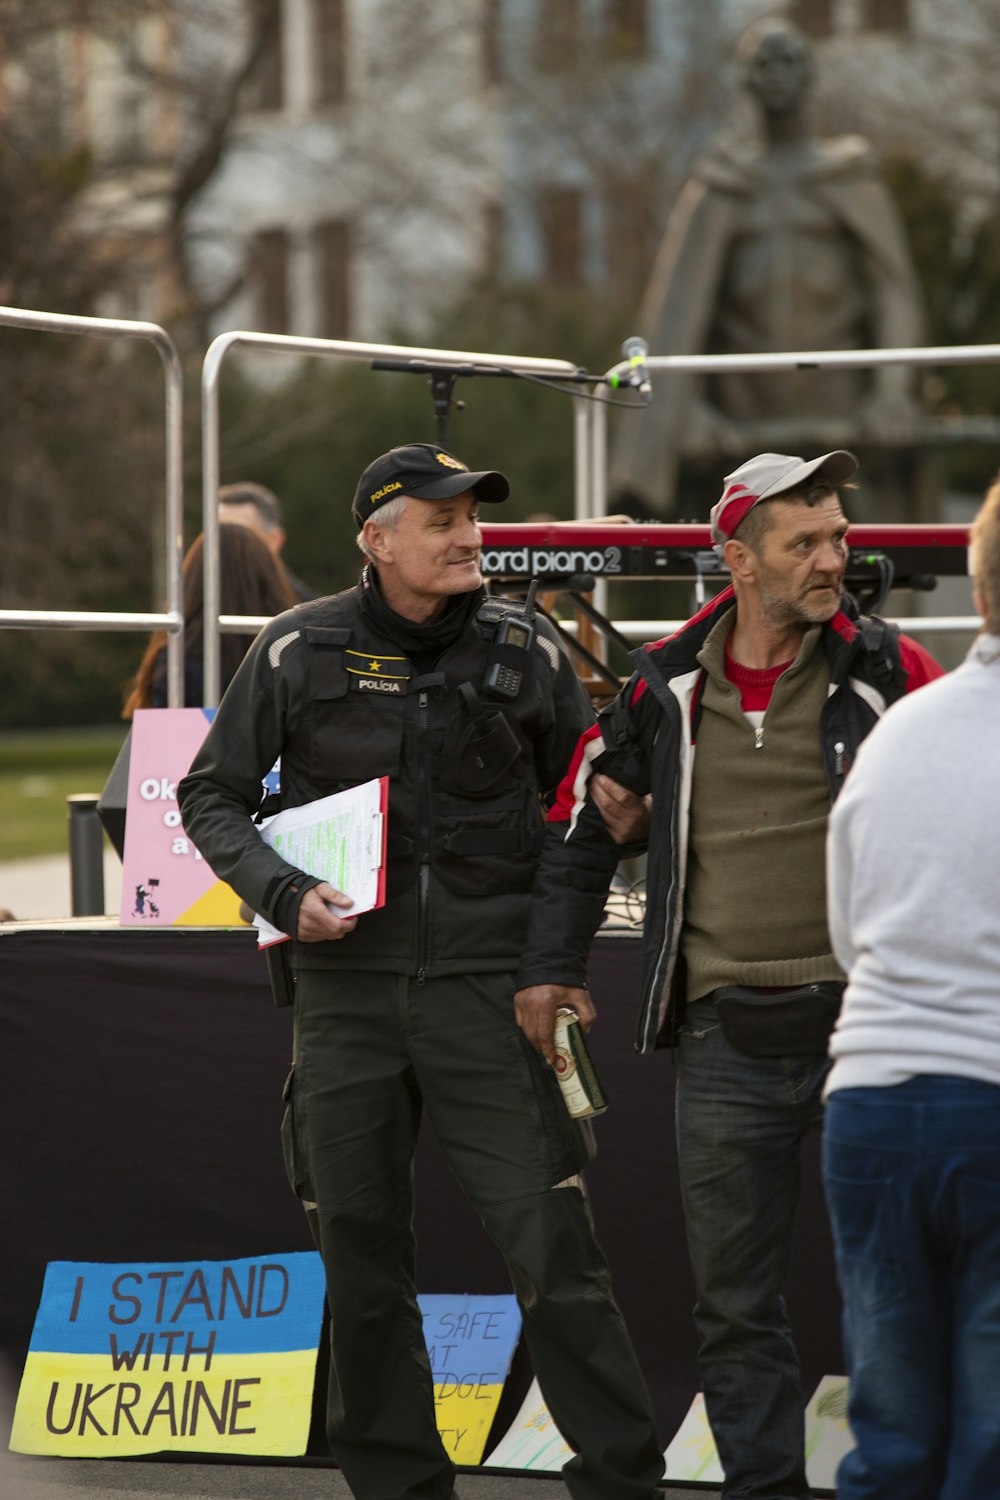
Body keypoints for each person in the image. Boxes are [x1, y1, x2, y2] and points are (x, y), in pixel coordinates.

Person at [177, 442, 665, 1500]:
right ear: (376, 538)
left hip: (495, 998)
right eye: (439, 520)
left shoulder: (527, 649)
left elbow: (585, 814)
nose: (467, 536)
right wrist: (277, 891)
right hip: (345, 997)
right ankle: (396, 1484)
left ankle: (621, 1480)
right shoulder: (293, 649)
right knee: (358, 1261)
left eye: (472, 516)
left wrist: (610, 848)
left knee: (553, 1249)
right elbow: (208, 794)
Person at [515, 449, 943, 1500]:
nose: (833, 559)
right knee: (735, 1306)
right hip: (721, 1042)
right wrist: (549, 973)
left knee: (897, 1290)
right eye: (803, 542)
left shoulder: (894, 672)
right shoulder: (661, 684)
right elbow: (578, 827)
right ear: (736, 560)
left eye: (838, 537)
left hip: (870, 1032)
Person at [822, 478, 1000, 1499]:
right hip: (987, 1100)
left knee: (890, 1438)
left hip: (872, 1101)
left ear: (977, 592)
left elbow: (851, 931)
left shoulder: (900, 733)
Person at [610, 18, 923, 515]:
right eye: (763, 63)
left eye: (788, 61)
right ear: (745, 79)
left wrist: (892, 392)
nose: (776, 73)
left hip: (846, 414)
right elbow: (678, 312)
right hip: (743, 420)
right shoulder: (721, 183)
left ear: (809, 73)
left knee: (865, 563)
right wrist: (686, 408)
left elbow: (893, 289)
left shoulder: (849, 175)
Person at [123, 523, 298, 715]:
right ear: (268, 580)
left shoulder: (174, 659)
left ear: (193, 583)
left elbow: (159, 737)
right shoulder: (291, 651)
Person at [219, 479, 317, 600]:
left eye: (242, 536)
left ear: (274, 540)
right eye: (218, 534)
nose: (225, 544)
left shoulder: (305, 611)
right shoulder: (196, 601)